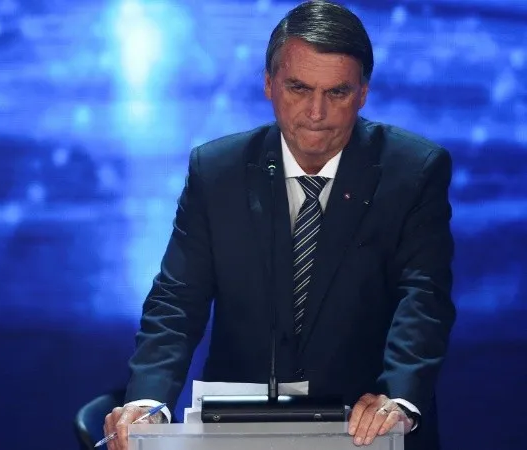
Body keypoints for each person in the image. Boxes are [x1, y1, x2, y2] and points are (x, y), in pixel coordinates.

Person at [103, 1, 456, 449]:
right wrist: (149, 400)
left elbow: (423, 297)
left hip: (365, 430)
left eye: (337, 93)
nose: (316, 112)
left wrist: (399, 398)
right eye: (298, 88)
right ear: (269, 84)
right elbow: (177, 300)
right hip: (239, 430)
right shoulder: (217, 171)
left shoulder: (414, 171)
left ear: (363, 93)